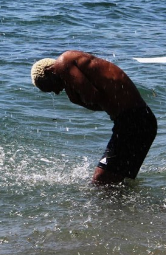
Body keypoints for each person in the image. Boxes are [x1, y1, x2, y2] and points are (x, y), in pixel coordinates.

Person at [31, 50, 157, 185]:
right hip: (138, 121)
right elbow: (101, 102)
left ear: (49, 72)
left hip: (134, 122)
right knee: (115, 182)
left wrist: (75, 98)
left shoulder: (64, 62)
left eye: (50, 87)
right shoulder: (76, 63)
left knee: (101, 183)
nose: (56, 92)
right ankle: (134, 206)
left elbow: (92, 96)